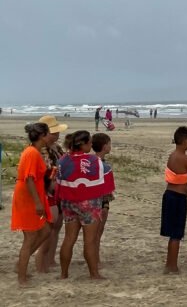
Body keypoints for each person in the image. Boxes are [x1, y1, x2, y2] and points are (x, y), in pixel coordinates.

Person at [57, 129, 114, 279]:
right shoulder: (95, 161)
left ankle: (64, 274)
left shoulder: (62, 160)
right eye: (89, 142)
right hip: (89, 204)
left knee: (69, 239)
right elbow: (108, 188)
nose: (91, 144)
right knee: (89, 241)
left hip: (68, 203)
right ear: (83, 144)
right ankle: (94, 274)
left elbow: (58, 183)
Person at [12, 122, 53, 286]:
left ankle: (21, 264)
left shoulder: (35, 151)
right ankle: (22, 277)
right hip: (28, 197)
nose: (51, 136)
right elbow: (29, 179)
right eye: (49, 133)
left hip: (34, 194)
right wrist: (37, 202)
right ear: (43, 136)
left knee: (46, 230)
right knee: (30, 237)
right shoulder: (31, 153)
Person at [161, 126, 187, 273]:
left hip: (169, 195)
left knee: (172, 233)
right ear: (185, 141)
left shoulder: (172, 156)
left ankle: (169, 264)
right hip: (178, 198)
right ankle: (172, 265)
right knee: (177, 233)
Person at [36, 114, 67, 274]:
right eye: (54, 132)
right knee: (48, 227)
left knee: (57, 225)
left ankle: (51, 258)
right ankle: (43, 261)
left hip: (58, 189)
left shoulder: (56, 147)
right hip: (48, 191)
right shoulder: (40, 149)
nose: (57, 135)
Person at [90, 133, 114, 254]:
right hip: (100, 202)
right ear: (105, 146)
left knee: (93, 234)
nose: (111, 146)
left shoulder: (90, 162)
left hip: (92, 201)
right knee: (97, 233)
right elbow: (108, 190)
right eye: (109, 144)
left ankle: (95, 256)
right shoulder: (104, 166)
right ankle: (95, 257)